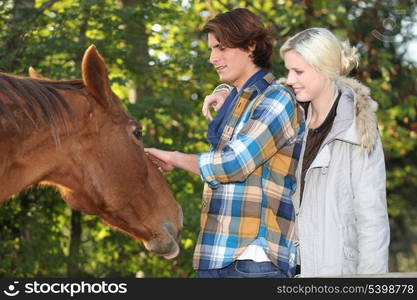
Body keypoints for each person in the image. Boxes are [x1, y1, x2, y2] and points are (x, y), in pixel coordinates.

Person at [202, 27, 390, 277]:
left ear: (326, 69)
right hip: (280, 266)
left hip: (332, 270)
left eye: (298, 71)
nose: (290, 79)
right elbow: (253, 90)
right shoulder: (289, 111)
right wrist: (224, 92)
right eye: (289, 70)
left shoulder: (357, 132)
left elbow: (372, 220)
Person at [145, 8, 305, 278]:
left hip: (254, 260)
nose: (212, 58)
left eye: (221, 47)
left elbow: (234, 163)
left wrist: (175, 157)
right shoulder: (238, 101)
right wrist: (226, 92)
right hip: (214, 256)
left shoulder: (277, 99)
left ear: (251, 45)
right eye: (211, 50)